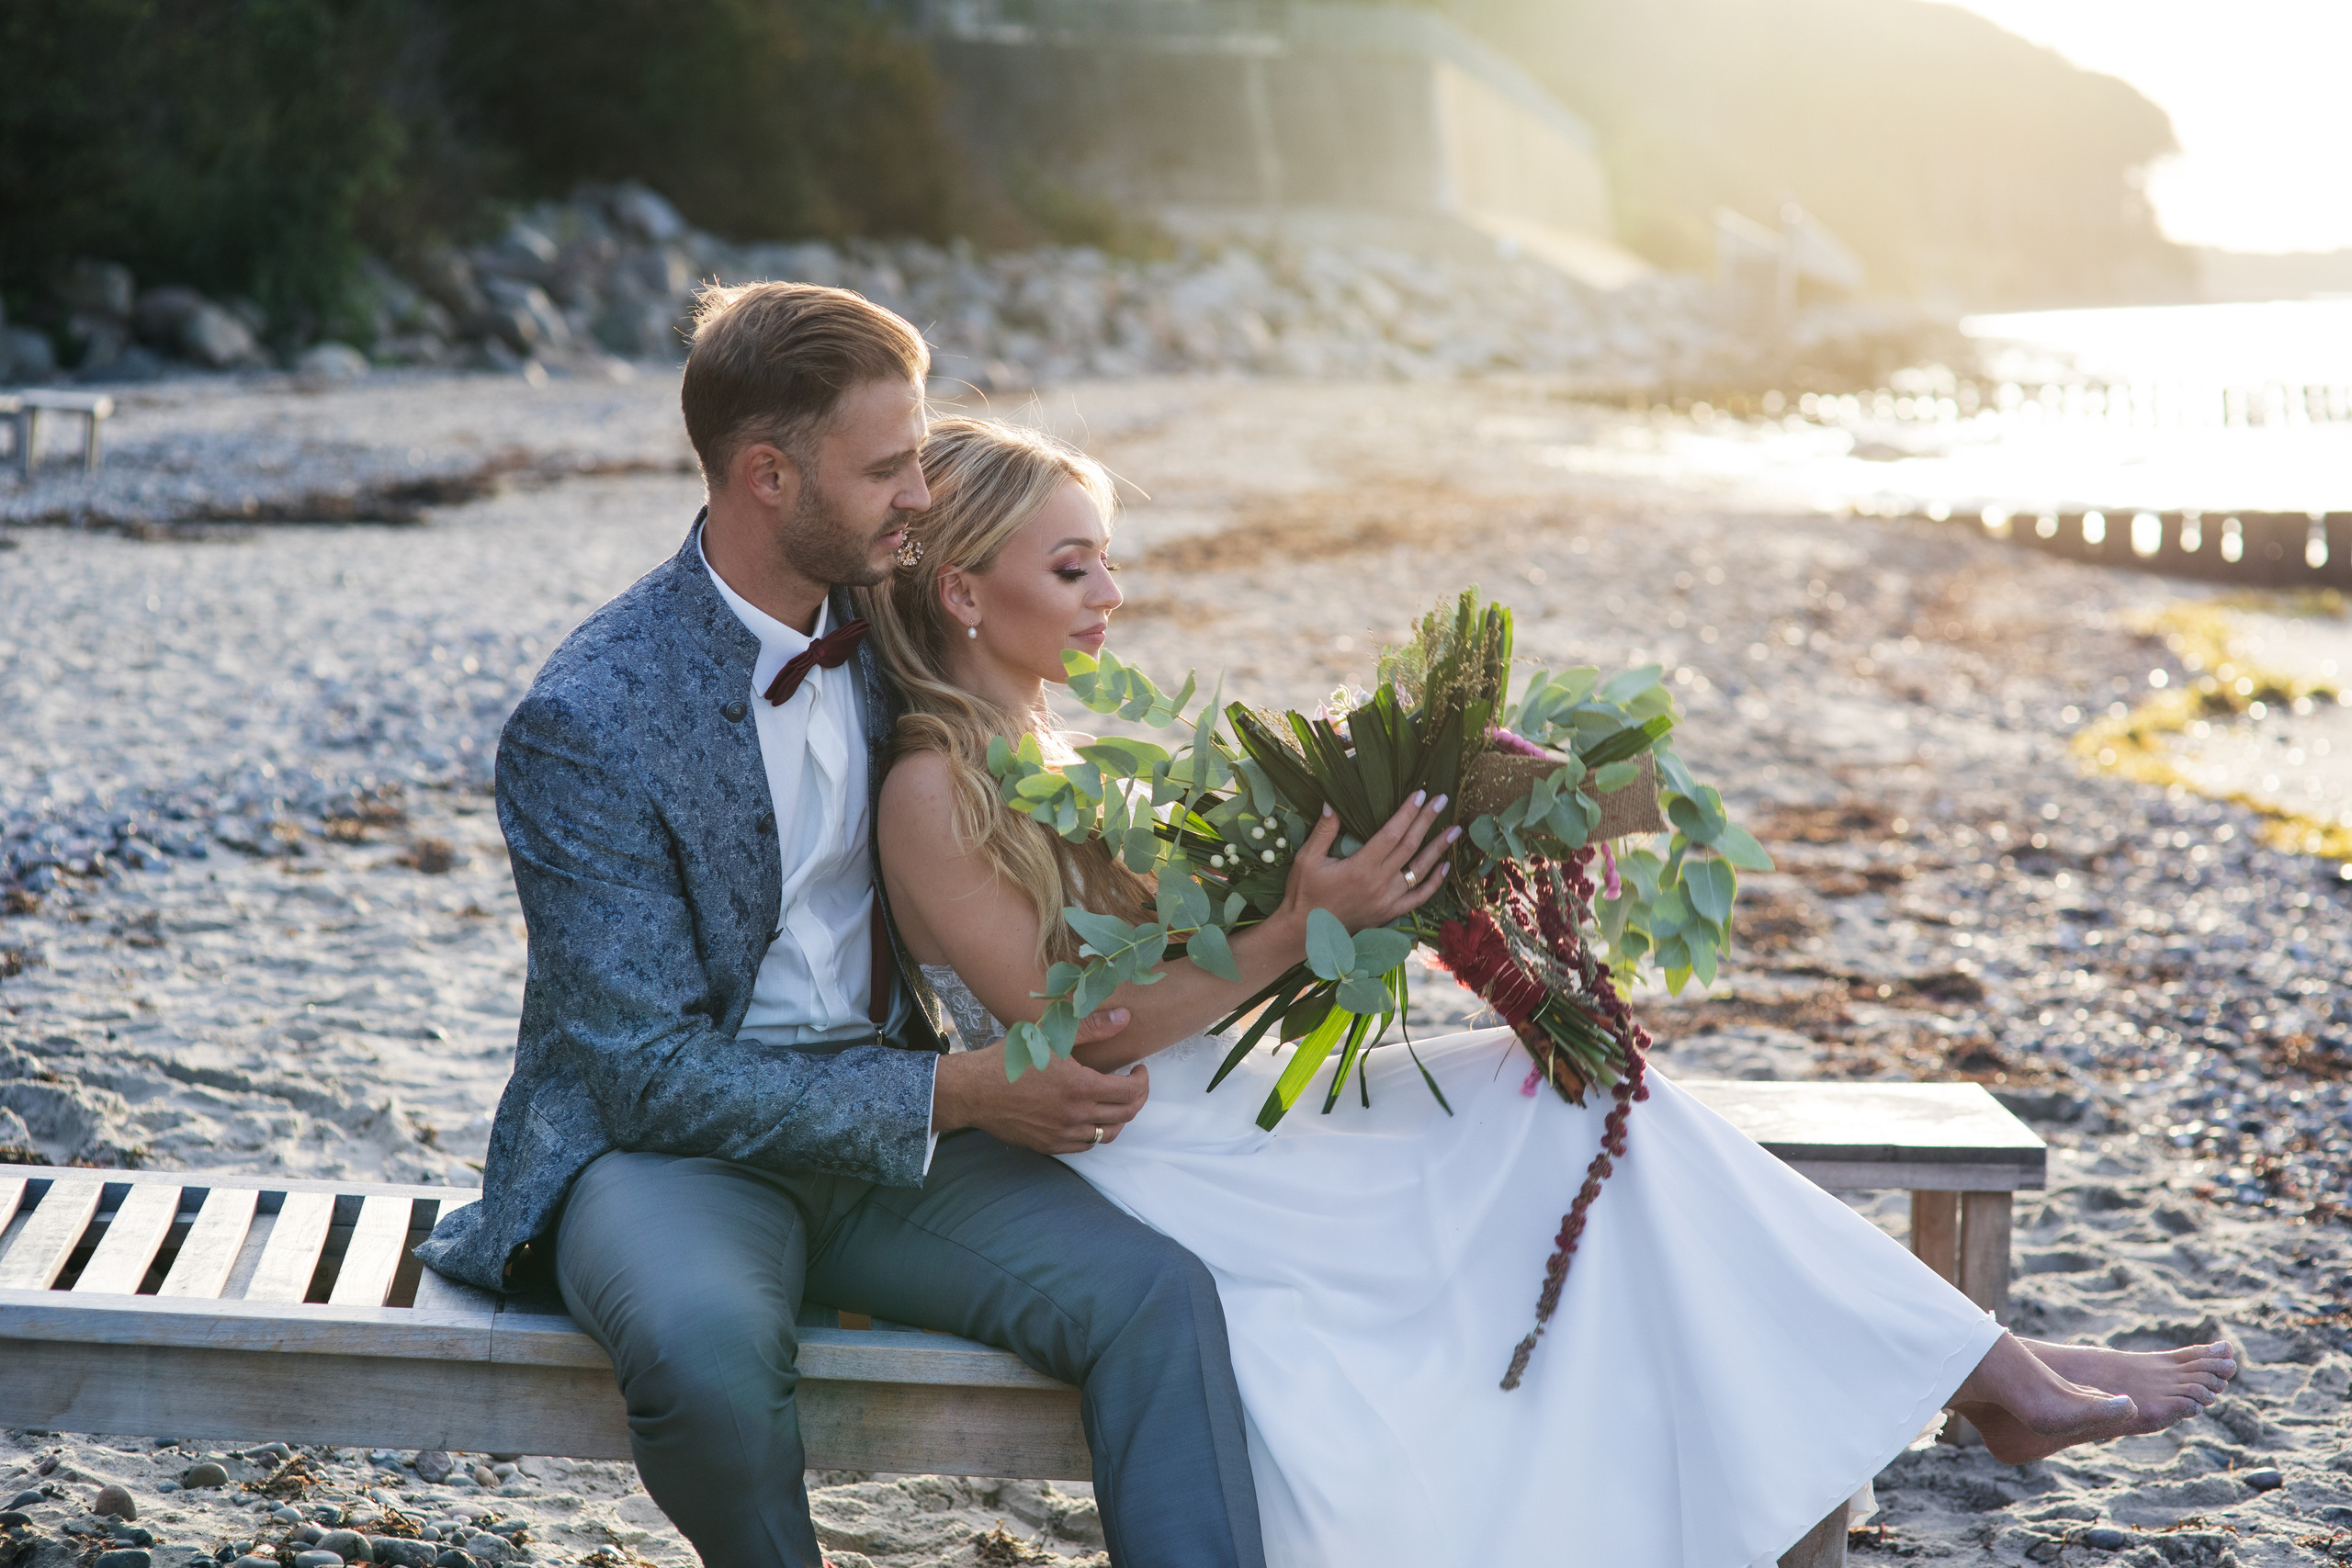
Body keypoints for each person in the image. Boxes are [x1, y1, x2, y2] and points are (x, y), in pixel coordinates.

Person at [860, 416, 2244, 1568]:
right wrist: (1299, 927)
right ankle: (1985, 1370)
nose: (1111, 595)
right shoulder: (933, 788)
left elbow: (1191, 949)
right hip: (1143, 1151)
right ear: (968, 592)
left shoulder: (1071, 740)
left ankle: (1979, 1359)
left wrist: (1400, 865)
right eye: (1075, 565)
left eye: (1108, 562)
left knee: (1566, 1086)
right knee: (1562, 1119)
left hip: (1211, 1094)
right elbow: (1085, 1022)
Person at [414, 284, 1266, 1568]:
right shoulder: (589, 718)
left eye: (917, 456)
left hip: (897, 1129)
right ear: (769, 476)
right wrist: (953, 1097)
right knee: (705, 1357)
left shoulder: (896, 631)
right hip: (669, 1157)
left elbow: (1040, 670)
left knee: (1156, 1298)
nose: (918, 494)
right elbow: (641, 1072)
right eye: (887, 468)